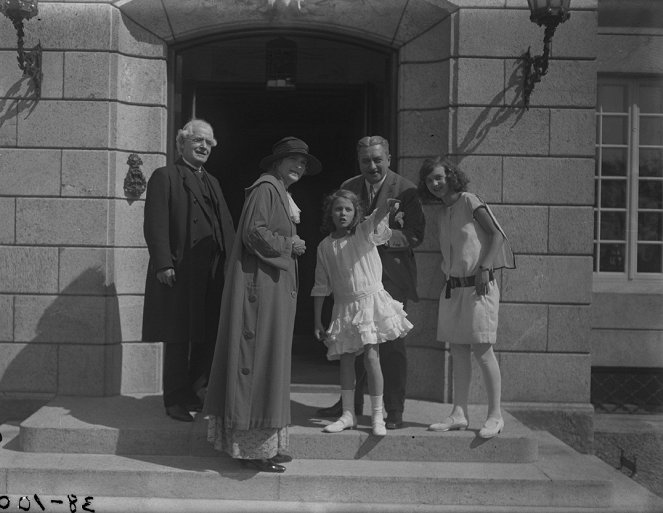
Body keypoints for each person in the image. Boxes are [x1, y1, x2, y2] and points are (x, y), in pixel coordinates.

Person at [203, 137, 321, 473]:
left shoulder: (279, 190)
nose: (298, 167)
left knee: (270, 362)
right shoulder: (266, 188)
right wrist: (291, 244)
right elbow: (255, 233)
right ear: (277, 163)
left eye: (302, 162)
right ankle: (252, 450)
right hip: (260, 289)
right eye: (293, 160)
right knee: (257, 362)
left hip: (273, 286)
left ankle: (265, 446)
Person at [316, 136, 425, 430]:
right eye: (366, 161)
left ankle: (393, 409)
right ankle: (350, 407)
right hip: (355, 277)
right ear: (359, 161)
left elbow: (416, 234)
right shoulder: (349, 187)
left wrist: (379, 238)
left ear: (389, 158)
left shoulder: (407, 190)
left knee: (389, 345)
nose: (372, 166)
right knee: (354, 340)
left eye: (378, 159)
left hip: (390, 276)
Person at [142, 119, 235, 423]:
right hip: (180, 270)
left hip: (212, 271)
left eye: (208, 142)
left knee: (207, 333)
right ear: (181, 143)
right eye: (197, 140)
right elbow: (155, 223)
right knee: (178, 335)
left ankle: (198, 390)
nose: (203, 146)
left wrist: (234, 265)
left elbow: (227, 227)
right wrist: (163, 263)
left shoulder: (214, 181)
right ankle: (174, 399)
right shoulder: (165, 176)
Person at [418, 156, 515, 438]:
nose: (435, 184)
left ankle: (495, 416)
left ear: (450, 176)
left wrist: (485, 267)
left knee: (482, 350)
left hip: (479, 286)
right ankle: (459, 413)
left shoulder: (470, 201)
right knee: (458, 351)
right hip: (453, 288)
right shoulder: (441, 212)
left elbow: (497, 235)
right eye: (429, 180)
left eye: (439, 177)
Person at [312, 190, 413, 436]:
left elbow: (375, 218)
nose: (343, 213)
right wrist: (317, 320)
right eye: (338, 209)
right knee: (346, 359)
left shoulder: (363, 234)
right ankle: (348, 415)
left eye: (348, 209)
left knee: (371, 356)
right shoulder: (325, 246)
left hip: (369, 303)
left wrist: (387, 206)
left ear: (356, 213)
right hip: (344, 307)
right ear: (330, 213)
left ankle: (377, 416)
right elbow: (321, 285)